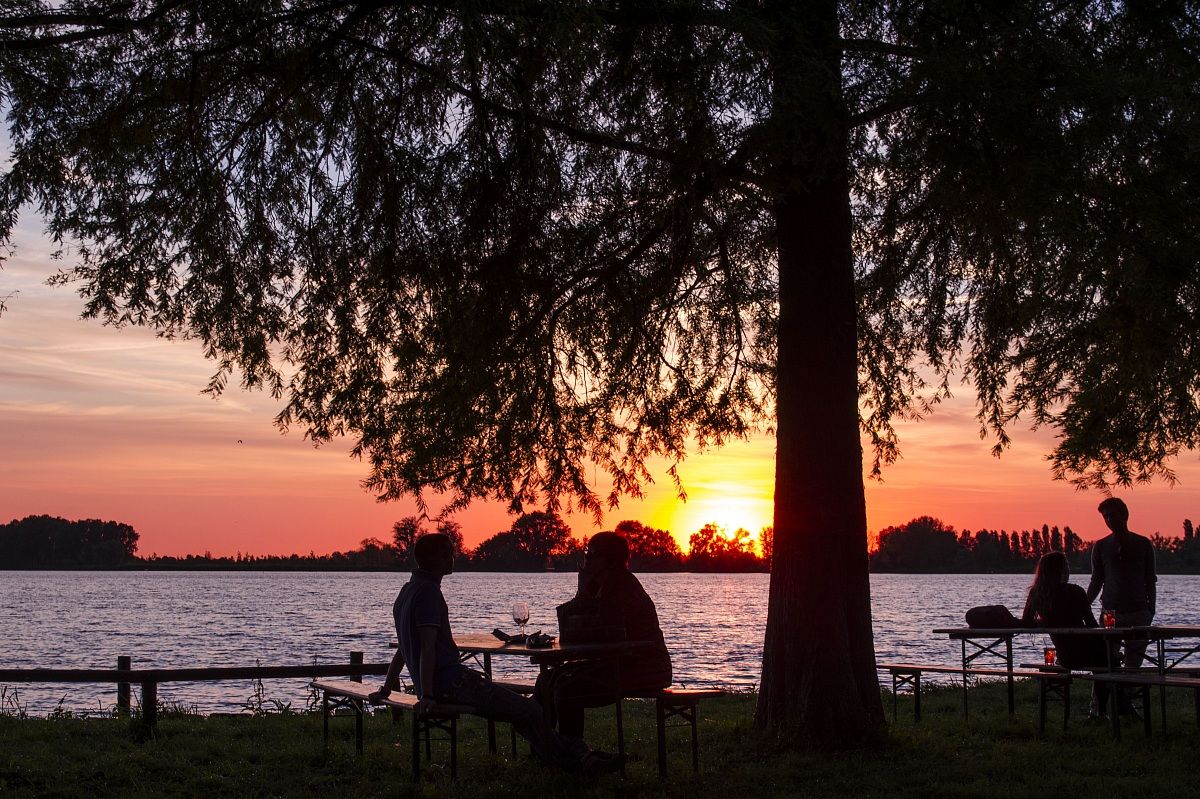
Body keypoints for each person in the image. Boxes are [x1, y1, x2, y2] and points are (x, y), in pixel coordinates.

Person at [369, 533, 619, 775]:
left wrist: (387, 686)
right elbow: (426, 647)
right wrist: (427, 695)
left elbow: (404, 647)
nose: (453, 557)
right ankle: (577, 765)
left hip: (445, 683)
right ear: (435, 559)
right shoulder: (428, 593)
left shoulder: (408, 590)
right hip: (452, 683)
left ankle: (569, 758)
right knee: (530, 710)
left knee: (523, 711)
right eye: (448, 553)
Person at [534, 531, 672, 757]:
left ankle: (572, 755)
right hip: (615, 663)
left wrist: (582, 596)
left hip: (646, 667)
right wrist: (583, 592)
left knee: (566, 688)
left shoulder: (624, 587)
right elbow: (574, 630)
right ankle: (544, 750)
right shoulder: (598, 586)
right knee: (546, 680)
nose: (586, 559)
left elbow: (600, 631)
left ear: (608, 559)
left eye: (591, 554)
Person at [1022, 551, 1113, 717]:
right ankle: (1102, 711)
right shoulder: (1076, 592)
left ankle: (1101, 710)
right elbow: (1092, 625)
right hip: (1087, 653)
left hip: (1065, 655)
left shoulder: (1037, 594)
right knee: (1109, 659)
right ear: (1062, 570)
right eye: (1067, 566)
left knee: (1107, 658)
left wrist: (1045, 622)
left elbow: (1026, 622)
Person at [1086, 497, 1157, 668]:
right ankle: (1105, 694)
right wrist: (1084, 605)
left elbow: (1150, 579)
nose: (1109, 520)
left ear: (1124, 515)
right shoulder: (1101, 546)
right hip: (1111, 613)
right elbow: (1096, 580)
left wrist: (1150, 609)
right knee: (1106, 663)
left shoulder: (1143, 544)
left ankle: (1129, 692)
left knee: (1133, 665)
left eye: (1112, 515)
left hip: (1139, 612)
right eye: (1105, 517)